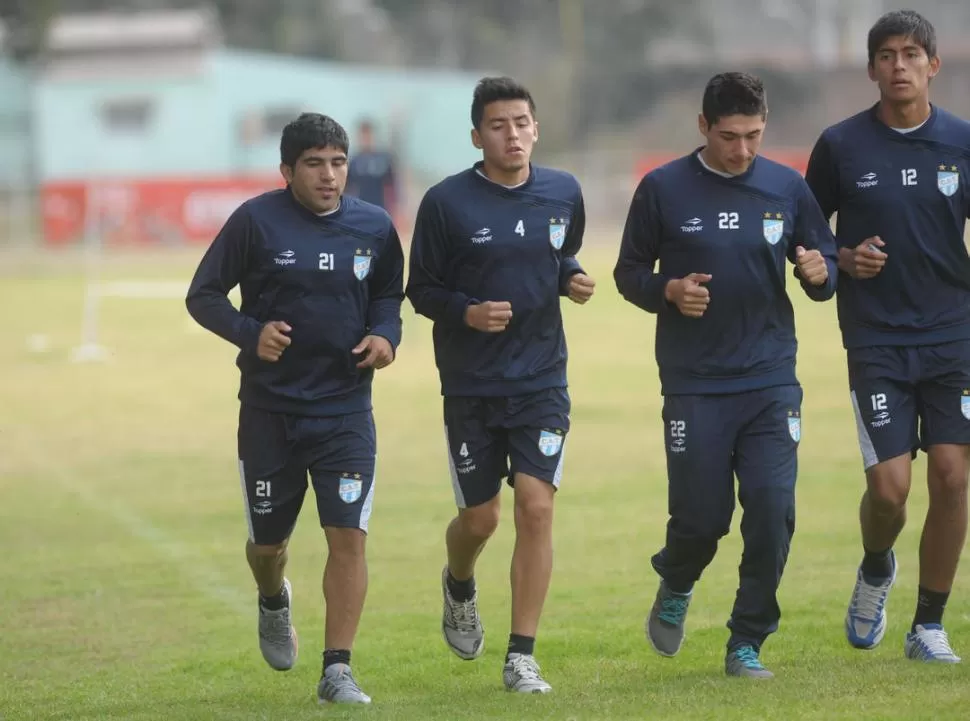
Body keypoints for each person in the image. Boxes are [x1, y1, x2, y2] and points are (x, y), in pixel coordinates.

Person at [614, 72, 838, 678]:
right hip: (694, 381)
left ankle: (747, 641)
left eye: (755, 136)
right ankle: (678, 580)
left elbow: (824, 263)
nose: (743, 150)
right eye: (731, 137)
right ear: (703, 127)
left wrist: (821, 272)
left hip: (769, 377)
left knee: (771, 507)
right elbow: (628, 272)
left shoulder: (787, 187)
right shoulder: (662, 188)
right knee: (703, 518)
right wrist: (668, 289)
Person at [185, 112, 405, 704]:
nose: (329, 175)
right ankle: (273, 598)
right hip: (270, 411)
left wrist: (386, 337)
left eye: (337, 163)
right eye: (314, 164)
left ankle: (337, 670)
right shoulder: (255, 221)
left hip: (345, 412)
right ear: (287, 170)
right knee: (267, 547)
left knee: (348, 538)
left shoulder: (374, 226)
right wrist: (249, 332)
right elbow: (202, 296)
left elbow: (387, 295)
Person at [405, 76, 595, 694]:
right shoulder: (446, 203)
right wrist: (467, 312)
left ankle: (521, 656)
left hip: (542, 378)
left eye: (520, 123)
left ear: (536, 128)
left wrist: (571, 277)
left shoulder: (563, 192)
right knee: (481, 520)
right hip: (471, 384)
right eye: (497, 126)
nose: (511, 135)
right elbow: (421, 289)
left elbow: (556, 254)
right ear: (476, 135)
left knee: (536, 508)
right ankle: (459, 582)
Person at [805, 9, 970, 664]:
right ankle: (877, 564)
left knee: (955, 475)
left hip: (953, 333)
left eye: (910, 54)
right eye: (886, 56)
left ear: (933, 64)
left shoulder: (962, 141)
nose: (898, 66)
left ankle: (928, 624)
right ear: (871, 69)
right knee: (890, 489)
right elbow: (806, 234)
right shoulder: (841, 146)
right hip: (876, 336)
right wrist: (843, 258)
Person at [346, 119, 398, 216]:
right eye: (363, 136)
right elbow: (347, 188)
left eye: (368, 135)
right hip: (361, 209)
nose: (366, 139)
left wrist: (394, 208)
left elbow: (392, 187)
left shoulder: (384, 159)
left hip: (380, 209)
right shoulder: (354, 161)